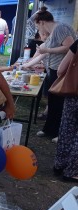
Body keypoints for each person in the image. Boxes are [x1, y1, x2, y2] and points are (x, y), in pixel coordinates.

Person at [33, 7, 76, 141]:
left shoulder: (59, 28)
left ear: (41, 22)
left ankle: (58, 132)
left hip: (62, 71)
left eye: (38, 26)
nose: (40, 31)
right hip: (55, 69)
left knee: (59, 102)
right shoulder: (55, 30)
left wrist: (47, 50)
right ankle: (50, 129)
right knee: (53, 101)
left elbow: (70, 46)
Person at [53, 39, 78, 182]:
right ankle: (72, 171)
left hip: (72, 93)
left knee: (67, 129)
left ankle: (60, 164)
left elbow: (61, 69)